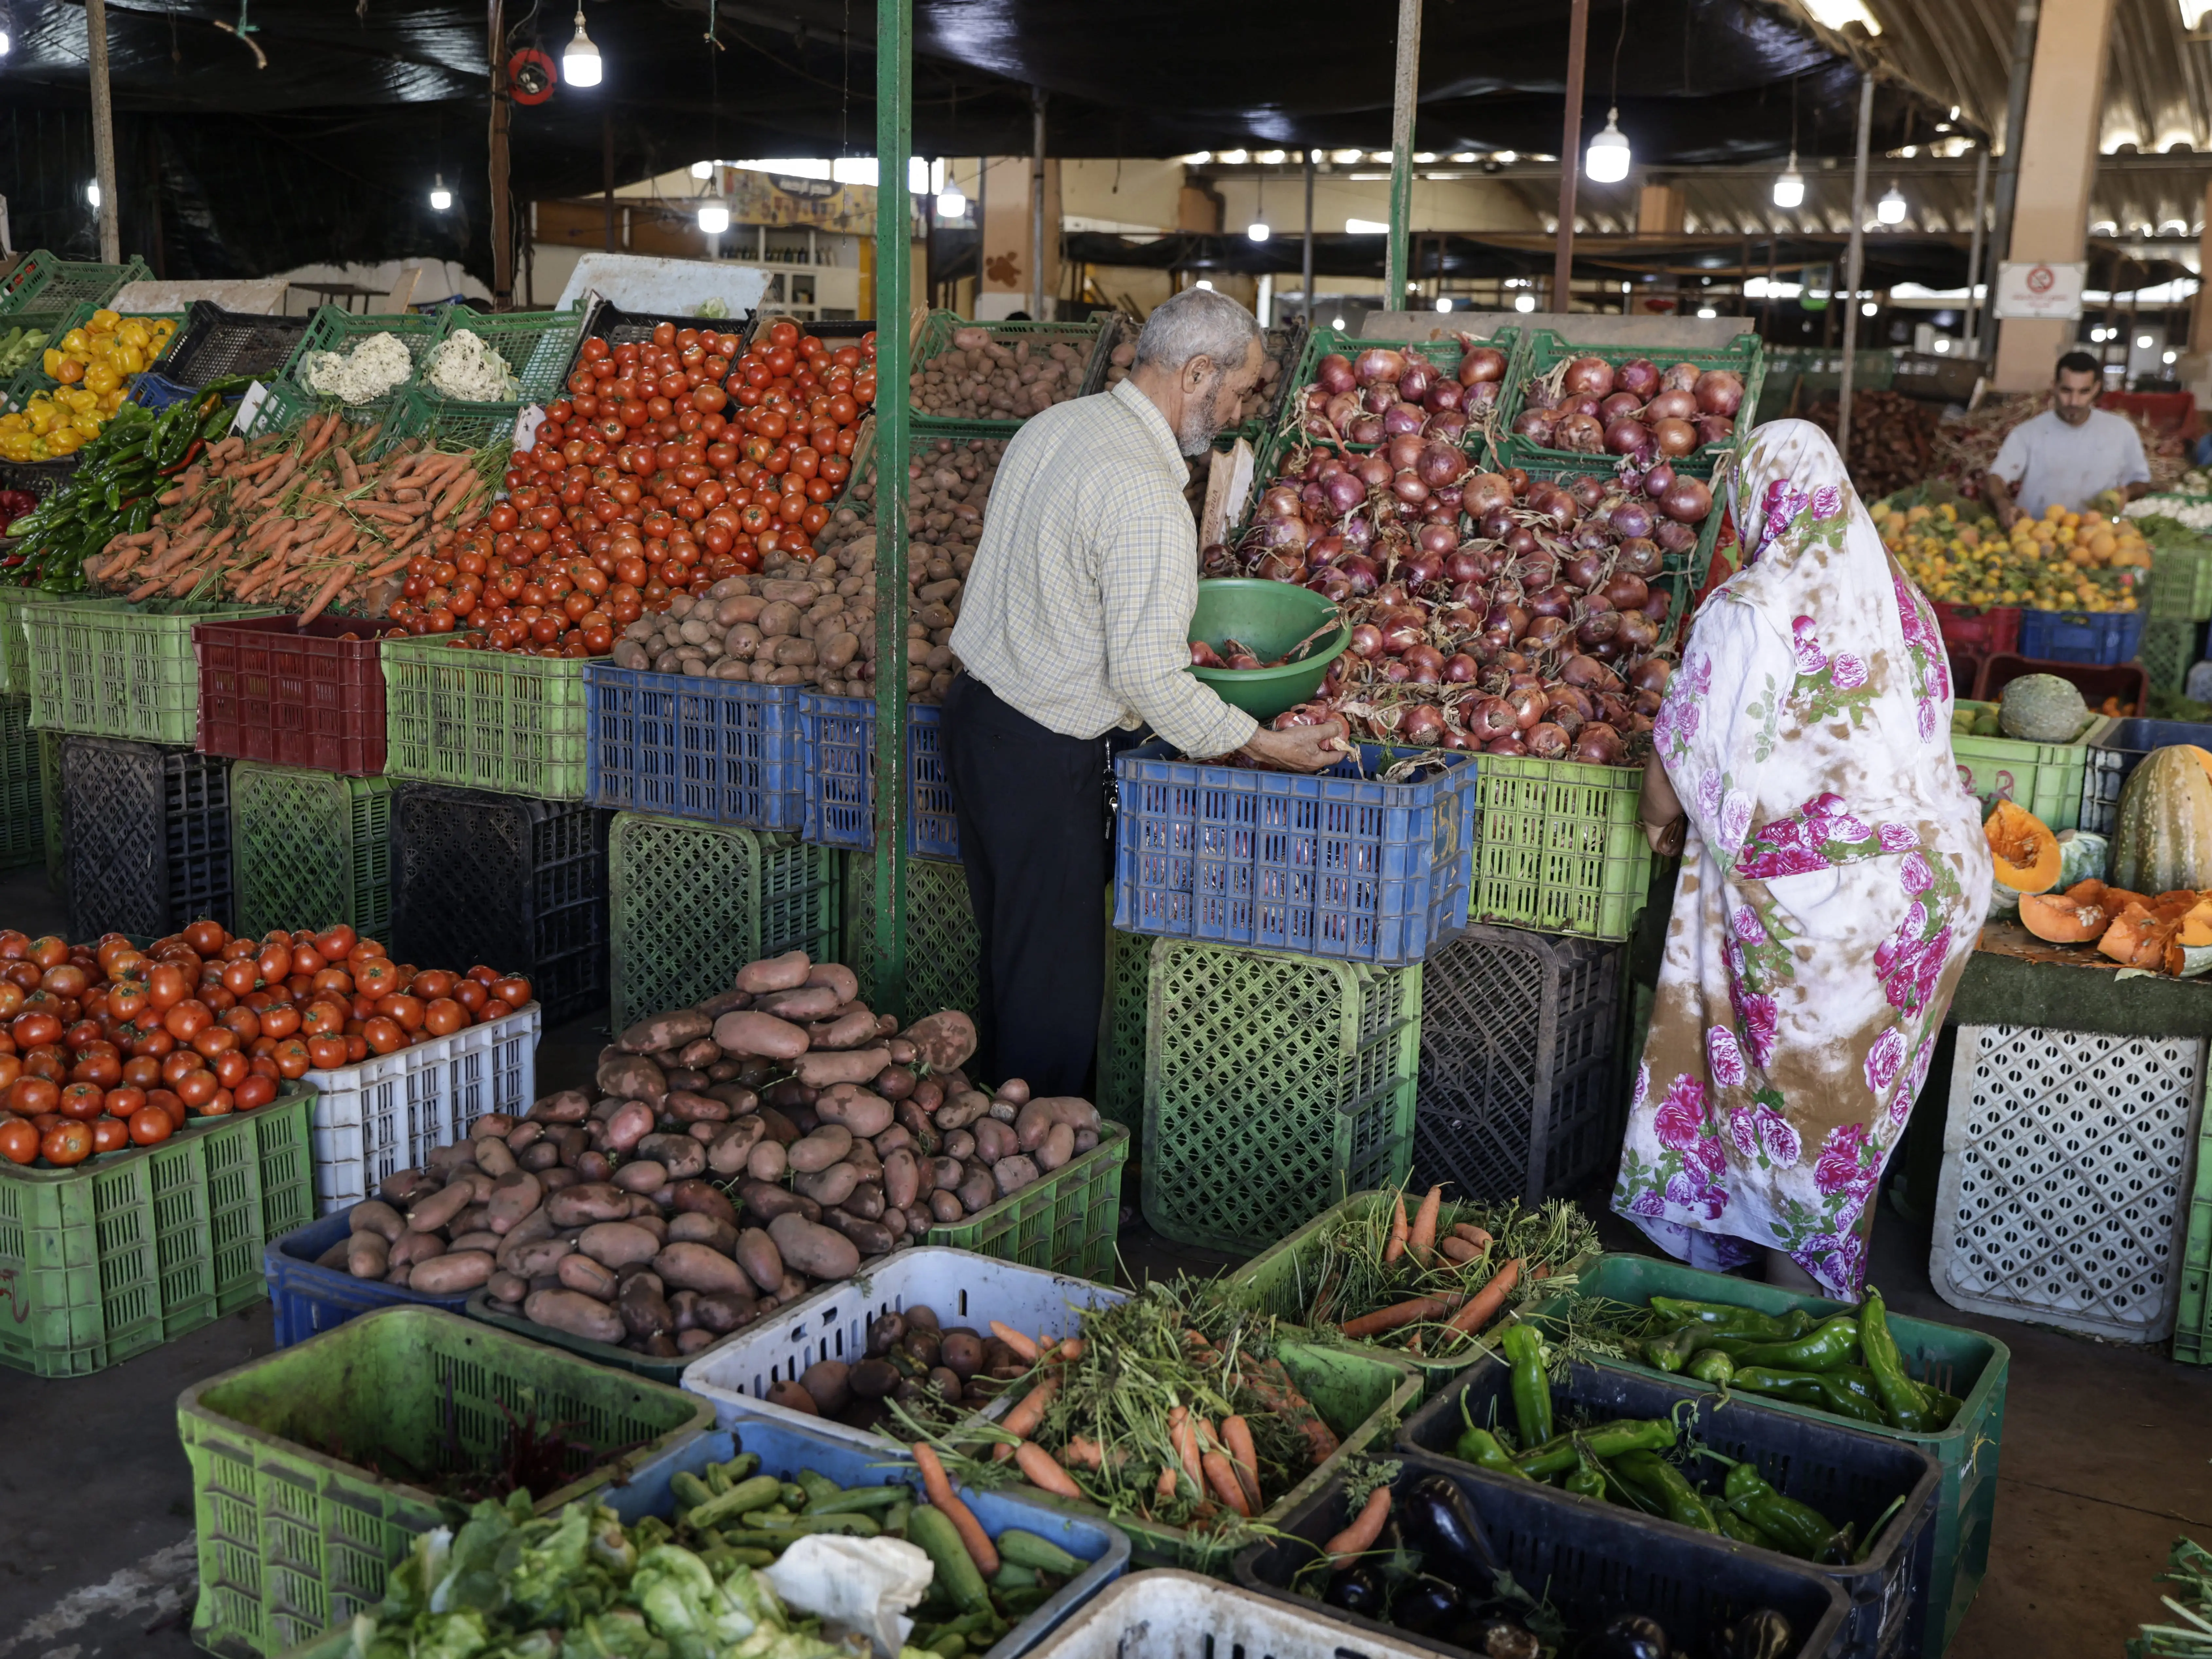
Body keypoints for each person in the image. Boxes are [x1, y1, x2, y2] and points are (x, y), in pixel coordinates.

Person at [1613, 418, 1993, 1298]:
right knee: (1850, 1116)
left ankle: (1794, 1334)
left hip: (1835, 906)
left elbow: (1678, 768)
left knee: (1797, 1108)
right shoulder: (1903, 599)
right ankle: (1826, 1299)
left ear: (1757, 497)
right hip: (1935, 886)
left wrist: (1659, 819)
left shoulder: (1754, 602)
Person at [942, 289, 1341, 1095]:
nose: (1235, 412)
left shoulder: (1055, 425)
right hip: (1041, 751)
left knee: (1012, 959)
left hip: (976, 719)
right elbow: (1148, 676)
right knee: (1051, 988)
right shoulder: (1143, 494)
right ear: (1197, 372)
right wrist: (1259, 742)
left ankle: (997, 1135)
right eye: (1237, 391)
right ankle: (1046, 1174)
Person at [1981, 350, 2151, 529]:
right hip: (2036, 533)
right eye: (2066, 391)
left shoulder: (2121, 430)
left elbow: (2141, 482)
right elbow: (1996, 478)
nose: (2074, 402)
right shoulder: (2028, 433)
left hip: (2097, 537)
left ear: (2096, 388)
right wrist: (2004, 505)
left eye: (2084, 392)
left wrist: (2128, 493)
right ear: (2054, 386)